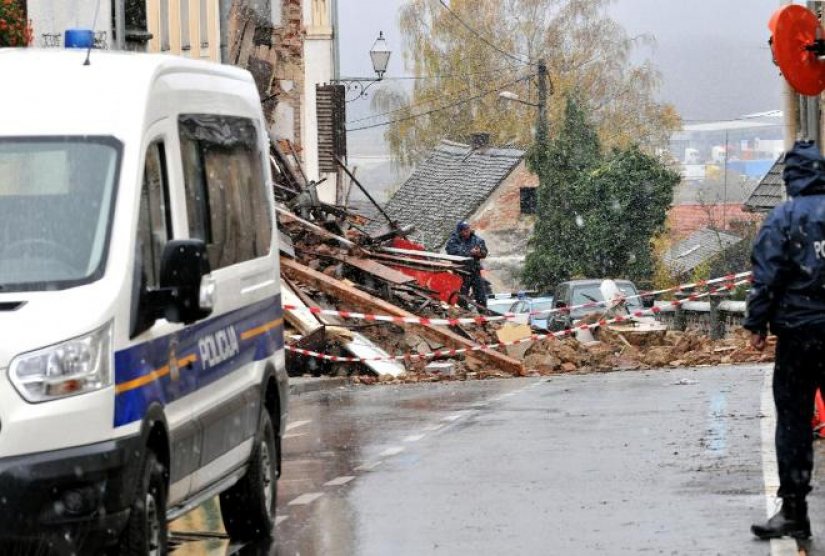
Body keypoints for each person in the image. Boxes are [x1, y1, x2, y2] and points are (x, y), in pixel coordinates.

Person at [746, 140, 825, 541]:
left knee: (794, 423)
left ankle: (794, 510)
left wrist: (756, 325)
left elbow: (767, 277)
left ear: (790, 178)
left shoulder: (783, 219)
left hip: (799, 336)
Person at [446, 221, 488, 308]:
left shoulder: (476, 239)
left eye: (468, 229)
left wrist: (479, 253)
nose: (467, 231)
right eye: (465, 230)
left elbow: (484, 252)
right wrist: (469, 252)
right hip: (461, 272)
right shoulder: (453, 241)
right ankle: (464, 312)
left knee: (481, 296)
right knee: (462, 297)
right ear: (460, 231)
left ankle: (483, 314)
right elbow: (452, 252)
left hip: (475, 271)